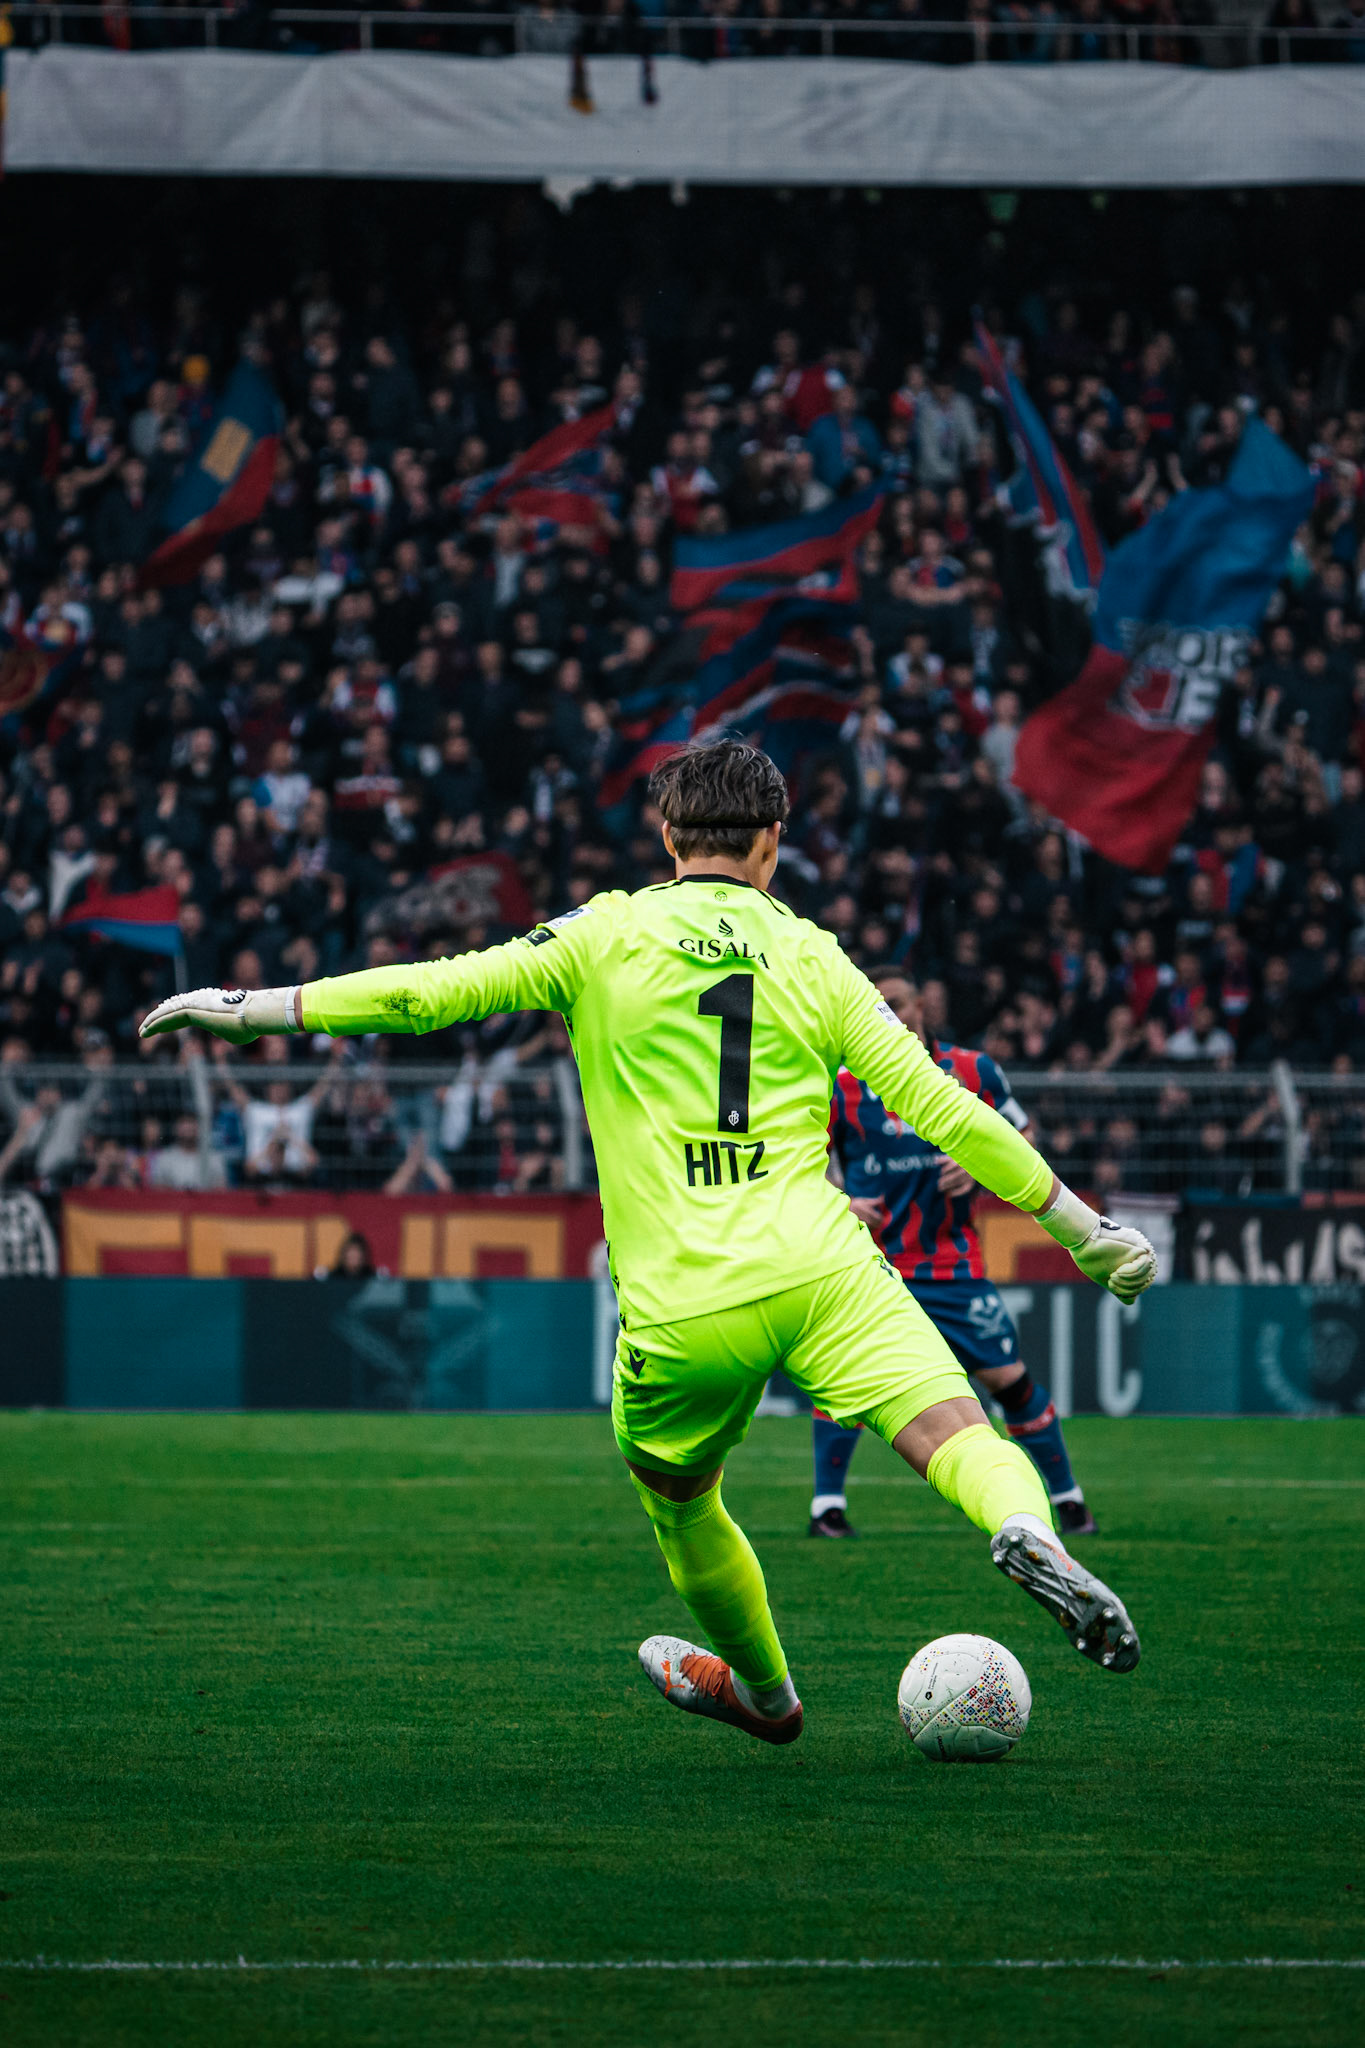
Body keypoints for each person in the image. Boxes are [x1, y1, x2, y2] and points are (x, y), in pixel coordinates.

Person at [139, 739, 1156, 1748]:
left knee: (682, 1503)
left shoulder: (605, 932)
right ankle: (1026, 1529)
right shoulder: (817, 955)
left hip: (685, 1300)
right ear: (773, 841)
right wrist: (1085, 1229)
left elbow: (430, 992)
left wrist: (257, 1010)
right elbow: (946, 1108)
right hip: (825, 1264)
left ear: (669, 836)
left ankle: (766, 1694)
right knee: (960, 1433)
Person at [812, 966, 1096, 1544]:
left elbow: (1023, 1136)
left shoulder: (972, 1070)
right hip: (872, 1267)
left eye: (897, 1002)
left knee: (1009, 1381)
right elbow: (804, 1161)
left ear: (922, 1005)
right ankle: (827, 1507)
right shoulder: (839, 1085)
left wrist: (977, 1167)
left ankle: (1068, 1499)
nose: (889, 1013)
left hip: (951, 1266)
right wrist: (841, 1201)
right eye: (879, 1003)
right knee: (844, 1386)